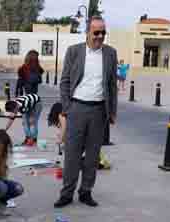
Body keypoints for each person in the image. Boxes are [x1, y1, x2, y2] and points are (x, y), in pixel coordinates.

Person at [54, 16, 118, 208]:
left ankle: (86, 191)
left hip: (99, 110)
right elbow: (65, 81)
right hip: (77, 108)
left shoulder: (110, 54)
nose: (100, 36)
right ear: (87, 32)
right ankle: (67, 193)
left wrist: (112, 111)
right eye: (96, 32)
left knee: (92, 155)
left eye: (103, 32)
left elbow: (112, 85)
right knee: (72, 154)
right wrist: (67, 108)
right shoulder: (74, 52)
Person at [48, 102, 111, 170]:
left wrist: (60, 139)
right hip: (84, 133)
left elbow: (64, 127)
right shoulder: (69, 112)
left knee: (74, 161)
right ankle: (96, 161)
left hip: (80, 135)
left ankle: (95, 162)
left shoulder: (61, 114)